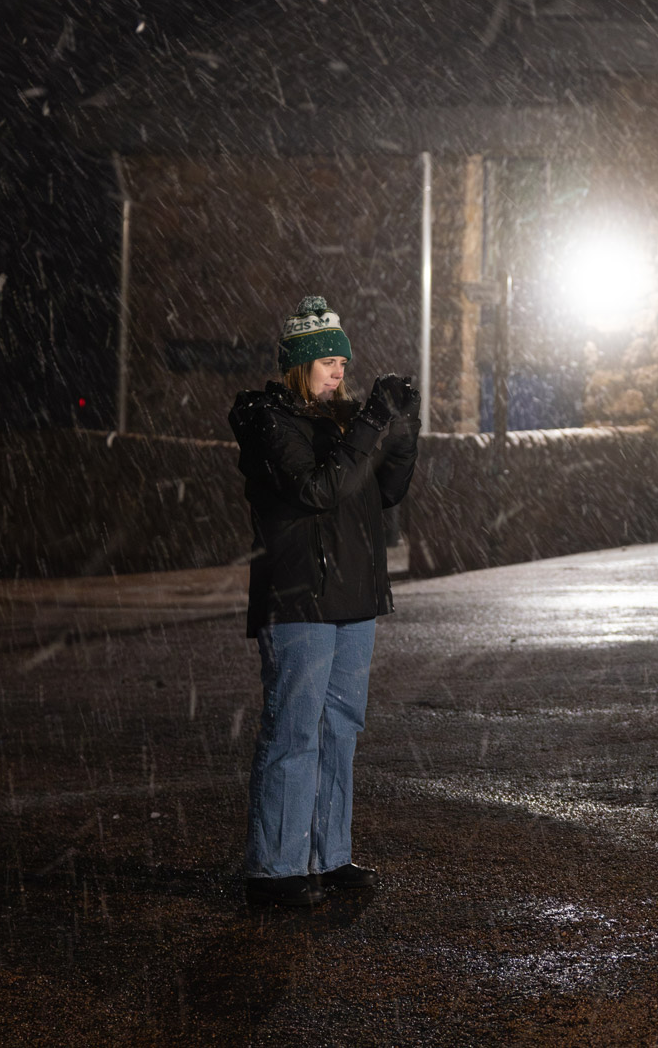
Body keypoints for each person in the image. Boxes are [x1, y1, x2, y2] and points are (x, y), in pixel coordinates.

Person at [228, 295, 419, 909]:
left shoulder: (344, 426)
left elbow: (386, 491)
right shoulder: (271, 423)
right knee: (294, 729)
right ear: (298, 367)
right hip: (300, 596)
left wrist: (402, 427)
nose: (339, 370)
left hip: (354, 595)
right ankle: (275, 867)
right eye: (326, 361)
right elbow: (317, 489)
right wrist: (367, 427)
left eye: (343, 360)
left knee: (340, 728)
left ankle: (329, 855)